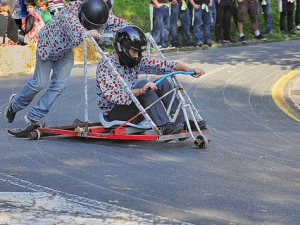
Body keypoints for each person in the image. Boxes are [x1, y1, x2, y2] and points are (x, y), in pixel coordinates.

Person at [5, 0, 109, 130]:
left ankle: (34, 115)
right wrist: (85, 32)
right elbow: (74, 26)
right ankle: (14, 104)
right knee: (39, 83)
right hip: (48, 47)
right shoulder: (71, 10)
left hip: (65, 50)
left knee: (60, 84)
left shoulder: (95, 10)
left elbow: (110, 22)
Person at [96, 25, 207, 135]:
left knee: (163, 82)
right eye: (134, 52)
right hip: (114, 113)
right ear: (123, 48)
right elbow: (114, 96)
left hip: (135, 108)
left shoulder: (136, 60)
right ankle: (163, 125)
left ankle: (182, 122)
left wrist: (189, 70)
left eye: (139, 52)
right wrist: (141, 91)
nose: (137, 56)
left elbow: (164, 65)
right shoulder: (106, 65)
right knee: (144, 85)